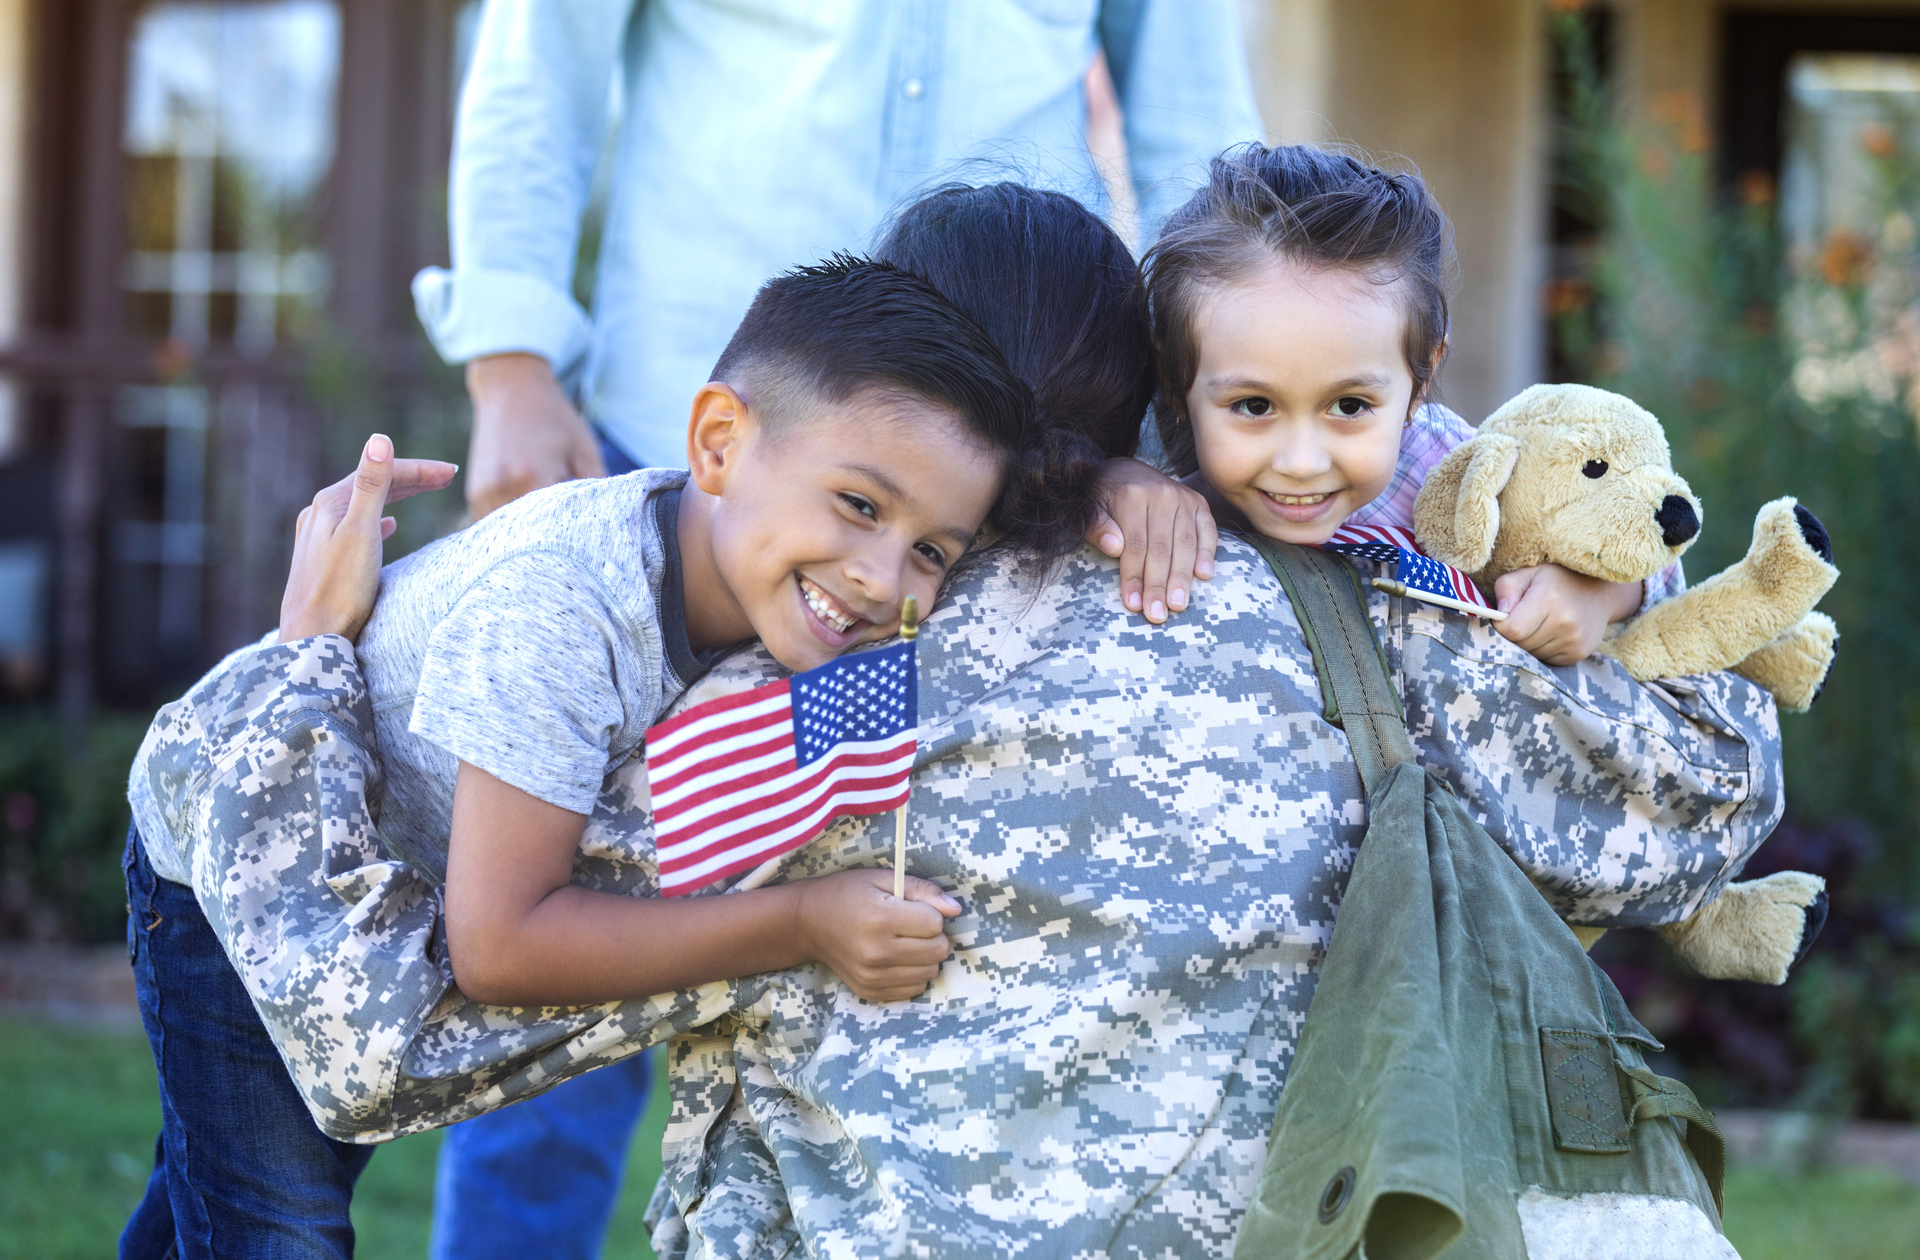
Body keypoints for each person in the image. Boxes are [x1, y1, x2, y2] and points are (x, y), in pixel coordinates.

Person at [135, 181, 1783, 1256]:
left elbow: (403, 1019)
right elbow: (1706, 791)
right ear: (1158, 397)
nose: (1303, 450)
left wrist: (290, 679)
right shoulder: (1372, 622)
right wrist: (1572, 585)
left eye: (1348, 409)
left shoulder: (781, 676)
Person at [120, 255, 1107, 1259]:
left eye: (933, 552)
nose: (880, 576)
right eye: (858, 504)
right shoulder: (566, 606)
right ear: (719, 444)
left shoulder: (761, 575)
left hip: (376, 889)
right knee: (275, 1227)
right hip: (244, 853)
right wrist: (806, 920)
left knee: (206, 1206)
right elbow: (501, 947)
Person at [1088, 142, 1687, 656]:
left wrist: (1595, 595)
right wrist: (1108, 484)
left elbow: (1656, 557)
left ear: (1421, 377)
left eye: (1349, 407)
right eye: (1253, 406)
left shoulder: (1454, 471)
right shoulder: (1172, 505)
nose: (1301, 461)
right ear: (1173, 379)